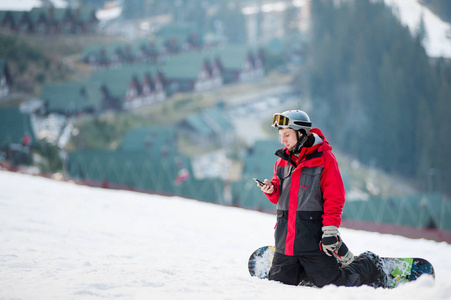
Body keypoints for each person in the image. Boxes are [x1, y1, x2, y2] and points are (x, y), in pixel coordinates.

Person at [256, 109, 386, 288]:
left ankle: (368, 264)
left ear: (301, 133)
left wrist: (330, 230)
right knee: (278, 287)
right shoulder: (281, 161)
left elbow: (334, 198)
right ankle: (302, 272)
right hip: (285, 244)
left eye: (286, 134)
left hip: (313, 243)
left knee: (336, 286)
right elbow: (278, 196)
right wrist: (271, 190)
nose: (282, 140)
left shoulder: (324, 159)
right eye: (281, 135)